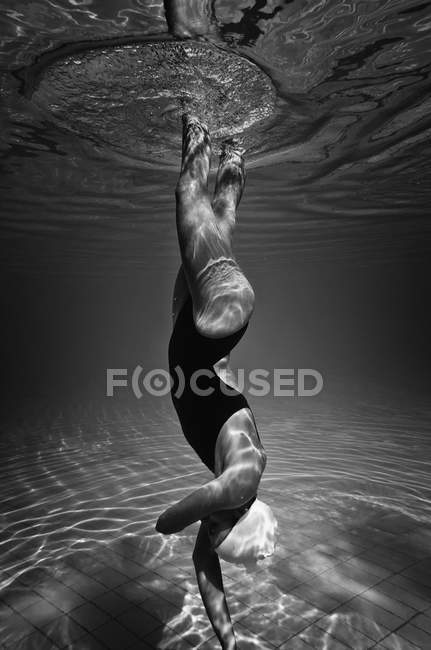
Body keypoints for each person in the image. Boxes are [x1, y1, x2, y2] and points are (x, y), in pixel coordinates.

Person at [156, 114, 277, 650]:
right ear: (237, 520)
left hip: (204, 332)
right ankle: (197, 106)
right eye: (222, 532)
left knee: (219, 218)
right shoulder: (240, 483)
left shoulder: (241, 488)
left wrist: (228, 641)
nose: (213, 534)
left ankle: (235, 149)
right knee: (188, 189)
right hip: (215, 321)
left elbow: (205, 566)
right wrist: (178, 522)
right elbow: (171, 520)